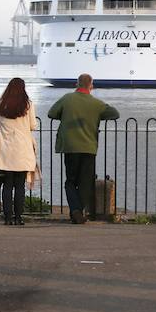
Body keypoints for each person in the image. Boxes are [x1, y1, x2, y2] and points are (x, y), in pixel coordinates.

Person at [47, 73, 119, 224]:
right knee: (86, 181)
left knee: (71, 181)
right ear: (91, 85)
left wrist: (67, 116)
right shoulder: (97, 103)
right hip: (88, 147)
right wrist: (96, 116)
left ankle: (75, 210)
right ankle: (78, 211)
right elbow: (115, 113)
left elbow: (51, 113)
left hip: (70, 146)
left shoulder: (67, 98)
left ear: (76, 84)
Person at [0, 78, 39, 226]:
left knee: (7, 185)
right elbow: (33, 125)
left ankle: (7, 218)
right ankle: (18, 217)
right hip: (22, 151)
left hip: (5, 151)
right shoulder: (28, 104)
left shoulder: (0, 103)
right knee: (19, 185)